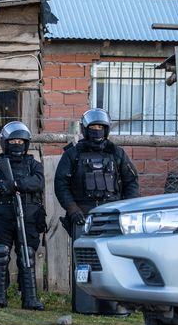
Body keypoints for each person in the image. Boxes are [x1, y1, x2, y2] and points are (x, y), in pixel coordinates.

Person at [54, 108, 139, 314]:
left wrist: (126, 211)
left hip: (113, 215)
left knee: (116, 259)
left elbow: (131, 183)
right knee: (85, 261)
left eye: (101, 127)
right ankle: (85, 305)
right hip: (83, 216)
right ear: (85, 129)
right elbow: (61, 185)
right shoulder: (72, 154)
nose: (97, 131)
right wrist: (72, 209)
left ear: (107, 129)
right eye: (93, 127)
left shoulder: (117, 153)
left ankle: (117, 307)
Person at [0, 121, 45, 310]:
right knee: (0, 254)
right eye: (13, 140)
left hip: (29, 218)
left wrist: (15, 185)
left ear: (26, 143)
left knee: (27, 256)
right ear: (5, 142)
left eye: (20, 141)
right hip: (3, 218)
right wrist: (0, 186)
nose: (17, 144)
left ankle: (30, 298)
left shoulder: (34, 166)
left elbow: (37, 183)